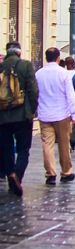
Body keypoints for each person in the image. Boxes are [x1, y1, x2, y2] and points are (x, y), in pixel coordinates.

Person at [0, 42, 39, 197]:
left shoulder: (1, 66)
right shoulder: (26, 66)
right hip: (23, 115)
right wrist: (32, 111)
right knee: (23, 149)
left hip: (2, 116)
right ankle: (17, 175)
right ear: (19, 52)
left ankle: (10, 174)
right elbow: (33, 90)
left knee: (6, 148)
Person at [35, 48, 75, 185]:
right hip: (61, 114)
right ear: (58, 58)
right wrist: (74, 114)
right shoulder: (63, 73)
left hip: (44, 114)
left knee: (47, 145)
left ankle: (50, 173)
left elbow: (36, 94)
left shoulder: (39, 74)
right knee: (64, 144)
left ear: (46, 57)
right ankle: (66, 172)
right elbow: (70, 95)